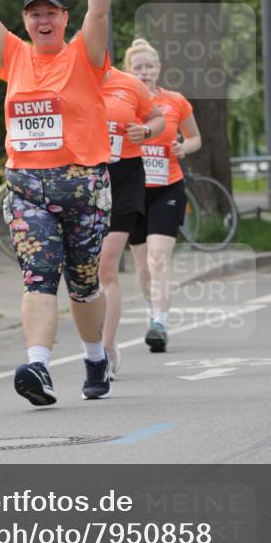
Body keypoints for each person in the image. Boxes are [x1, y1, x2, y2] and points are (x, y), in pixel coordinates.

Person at [0, 0, 134, 406]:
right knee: (38, 276)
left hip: (85, 186)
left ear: (64, 17)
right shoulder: (13, 56)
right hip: (28, 185)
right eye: (34, 14)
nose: (41, 20)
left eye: (50, 12)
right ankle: (39, 367)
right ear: (26, 21)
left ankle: (95, 357)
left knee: (84, 283)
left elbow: (100, 8)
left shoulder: (83, 55)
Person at [124, 37, 202, 352]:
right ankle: (151, 309)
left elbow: (195, 137)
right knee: (142, 264)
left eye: (149, 66)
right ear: (128, 70)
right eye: (137, 67)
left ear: (159, 68)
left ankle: (160, 322)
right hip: (133, 189)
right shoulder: (122, 101)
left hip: (168, 186)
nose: (144, 72)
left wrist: (185, 146)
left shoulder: (176, 102)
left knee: (159, 258)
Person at [99, 65, 166, 376]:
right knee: (84, 274)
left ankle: (105, 349)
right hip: (79, 177)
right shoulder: (66, 78)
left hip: (124, 176)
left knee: (106, 265)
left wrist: (147, 131)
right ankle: (94, 343)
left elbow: (157, 118)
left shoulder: (129, 84)